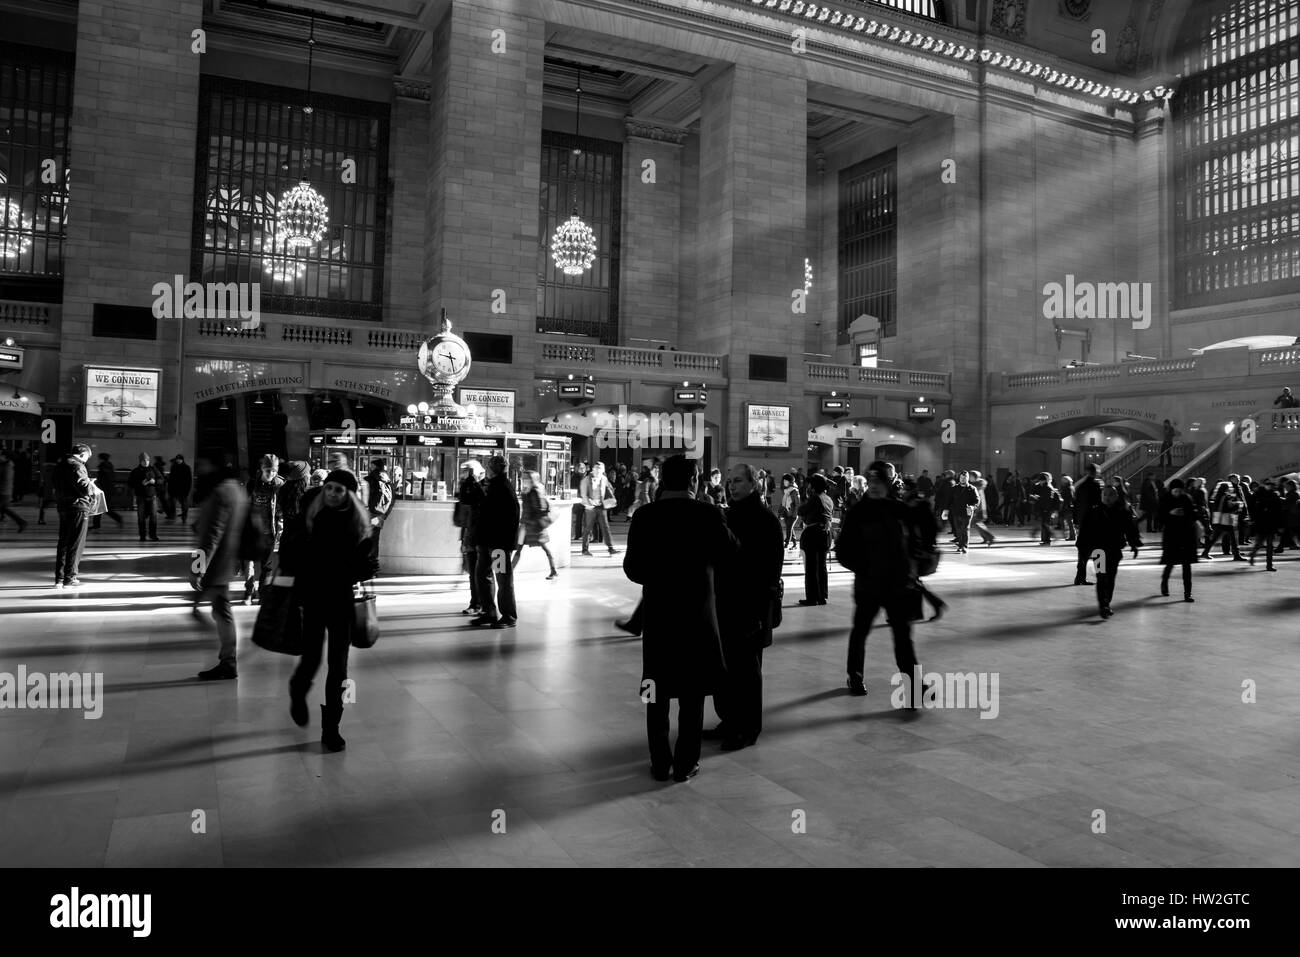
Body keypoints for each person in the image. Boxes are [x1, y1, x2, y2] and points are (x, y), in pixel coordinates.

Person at [624, 454, 739, 782]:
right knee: (693, 692)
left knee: (655, 691)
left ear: (663, 480)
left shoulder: (645, 515)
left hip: (660, 617)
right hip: (697, 617)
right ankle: (686, 764)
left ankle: (660, 762)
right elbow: (731, 554)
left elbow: (633, 569)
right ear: (694, 481)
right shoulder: (707, 513)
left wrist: (659, 575)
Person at [284, 468, 373, 752]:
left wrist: (363, 568)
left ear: (349, 494)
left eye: (340, 490)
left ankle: (331, 727)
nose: (333, 494)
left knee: (339, 667)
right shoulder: (309, 517)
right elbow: (290, 555)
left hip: (341, 601)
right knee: (311, 658)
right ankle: (298, 690)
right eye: (330, 488)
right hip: (313, 599)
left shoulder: (358, 523)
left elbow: (358, 565)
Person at [836, 461, 926, 703]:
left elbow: (915, 543)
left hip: (897, 586)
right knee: (861, 631)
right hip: (869, 585)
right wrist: (865, 567)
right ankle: (854, 676)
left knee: (903, 636)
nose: (874, 487)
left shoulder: (900, 510)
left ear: (888, 484)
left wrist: (911, 568)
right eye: (871, 482)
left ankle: (915, 688)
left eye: (879, 482)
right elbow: (843, 550)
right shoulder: (858, 512)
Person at [707, 463, 783, 752]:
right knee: (726, 667)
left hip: (749, 605)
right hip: (725, 601)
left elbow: (768, 570)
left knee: (747, 671)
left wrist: (758, 609)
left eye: (738, 481)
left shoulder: (765, 520)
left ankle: (748, 728)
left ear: (754, 483)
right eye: (729, 481)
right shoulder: (728, 515)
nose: (731, 486)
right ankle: (729, 720)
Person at [193, 448, 249, 680]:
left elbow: (211, 535)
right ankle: (229, 656)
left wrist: (197, 567)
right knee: (218, 610)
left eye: (202, 464)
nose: (199, 469)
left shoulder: (221, 492)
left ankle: (229, 657)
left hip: (217, 562)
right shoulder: (236, 489)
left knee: (205, 611)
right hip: (227, 559)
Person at [1080, 485, 1142, 618]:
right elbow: (1085, 530)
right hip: (1099, 550)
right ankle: (1104, 605)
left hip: (1114, 550)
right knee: (1102, 577)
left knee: (1111, 578)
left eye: (1110, 495)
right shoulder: (1094, 511)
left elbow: (1130, 529)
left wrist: (1134, 544)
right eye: (1105, 494)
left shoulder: (1122, 511)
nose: (1107, 497)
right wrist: (1082, 547)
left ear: (1116, 496)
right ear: (1101, 496)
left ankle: (1107, 601)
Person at [472, 455, 520, 628]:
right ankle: (489, 612)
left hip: (497, 545)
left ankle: (508, 615)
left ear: (493, 469)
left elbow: (511, 518)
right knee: (482, 575)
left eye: (488, 468)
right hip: (487, 542)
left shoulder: (503, 488)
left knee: (503, 580)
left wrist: (505, 543)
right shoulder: (493, 486)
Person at [51, 445, 95, 587]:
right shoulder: (77, 466)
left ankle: (59, 578)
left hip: (63, 506)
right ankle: (70, 578)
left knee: (63, 542)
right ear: (82, 455)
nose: (86, 460)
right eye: (87, 457)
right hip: (78, 507)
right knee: (76, 542)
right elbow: (84, 488)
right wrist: (90, 484)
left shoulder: (59, 466)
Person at [1158, 479, 1200, 602]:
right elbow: (1160, 517)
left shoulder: (1187, 498)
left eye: (1180, 491)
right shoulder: (1165, 499)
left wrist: (1185, 513)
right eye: (1175, 491)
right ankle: (1164, 583)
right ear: (1171, 490)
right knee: (1170, 563)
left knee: (1186, 565)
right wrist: (1171, 513)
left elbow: (1194, 515)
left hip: (1186, 536)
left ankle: (1188, 593)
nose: (1177, 493)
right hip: (1171, 536)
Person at [454, 460, 486, 615]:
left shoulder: (484, 487)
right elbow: (464, 507)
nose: (465, 474)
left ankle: (483, 605)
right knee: (473, 572)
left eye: (468, 471)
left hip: (482, 537)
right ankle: (476, 603)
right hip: (470, 535)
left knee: (483, 573)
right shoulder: (468, 487)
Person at [797, 473, 834, 605]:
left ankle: (812, 597)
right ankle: (822, 596)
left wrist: (806, 499)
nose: (809, 486)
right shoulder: (828, 499)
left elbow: (801, 511)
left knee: (811, 567)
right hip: (825, 534)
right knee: (821, 566)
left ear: (814, 486)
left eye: (810, 484)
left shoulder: (815, 498)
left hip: (813, 534)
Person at [514, 470, 558, 579]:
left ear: (532, 479)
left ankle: (554, 570)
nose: (523, 480)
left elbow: (540, 509)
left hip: (533, 526)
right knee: (519, 549)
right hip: (527, 525)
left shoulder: (534, 491)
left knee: (543, 547)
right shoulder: (527, 490)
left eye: (526, 478)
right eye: (523, 477)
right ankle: (509, 573)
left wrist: (530, 521)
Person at [362, 458, 396, 578]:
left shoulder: (368, 479)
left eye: (370, 466)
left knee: (364, 541)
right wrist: (384, 516)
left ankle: (365, 569)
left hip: (367, 515)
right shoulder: (388, 481)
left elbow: (363, 499)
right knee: (374, 541)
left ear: (374, 467)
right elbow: (392, 500)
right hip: (379, 516)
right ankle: (374, 570)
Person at [580, 461, 618, 557]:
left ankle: (611, 548)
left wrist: (611, 498)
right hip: (590, 507)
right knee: (588, 529)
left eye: (600, 468)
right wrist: (589, 502)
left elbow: (609, 488)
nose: (598, 470)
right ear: (593, 469)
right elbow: (583, 494)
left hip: (601, 506)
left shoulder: (604, 478)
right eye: (596, 468)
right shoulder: (586, 480)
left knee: (605, 527)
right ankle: (584, 549)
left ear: (603, 470)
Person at [1071, 464, 1102, 579]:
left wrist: (1076, 520)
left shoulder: (1081, 486)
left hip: (1083, 522)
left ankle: (1080, 577)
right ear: (1094, 472)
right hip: (1093, 522)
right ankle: (1101, 576)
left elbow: (1076, 504)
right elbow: (1098, 503)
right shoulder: (1095, 485)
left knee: (1083, 551)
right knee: (1099, 550)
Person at [1202, 480, 1244, 560]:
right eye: (1229, 487)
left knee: (1215, 537)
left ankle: (1205, 552)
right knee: (1234, 538)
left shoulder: (1217, 496)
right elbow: (1228, 507)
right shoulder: (1226, 496)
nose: (1230, 488)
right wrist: (1237, 504)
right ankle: (1237, 555)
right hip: (1227, 520)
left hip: (1219, 520)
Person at [127, 452, 163, 543]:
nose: (146, 462)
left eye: (147, 460)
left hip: (152, 496)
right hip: (141, 497)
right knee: (141, 517)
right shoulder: (135, 471)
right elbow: (130, 483)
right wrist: (140, 483)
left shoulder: (153, 469)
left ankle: (153, 535)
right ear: (140, 461)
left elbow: (161, 479)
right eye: (144, 460)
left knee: (153, 517)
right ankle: (142, 535)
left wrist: (154, 481)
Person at [1247, 479, 1283, 571]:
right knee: (1260, 543)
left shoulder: (1274, 495)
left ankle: (1269, 565)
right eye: (1269, 484)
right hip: (1261, 522)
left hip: (1270, 523)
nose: (1270, 486)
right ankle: (1253, 555)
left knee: (1269, 544)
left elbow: (1278, 511)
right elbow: (1251, 507)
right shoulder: (1258, 494)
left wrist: (1279, 524)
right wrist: (1253, 518)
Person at [946, 470, 979, 553]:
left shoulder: (972, 489)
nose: (963, 479)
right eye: (961, 477)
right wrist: (946, 509)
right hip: (956, 512)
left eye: (965, 478)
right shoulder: (954, 488)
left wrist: (972, 507)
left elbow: (977, 501)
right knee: (958, 530)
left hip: (967, 512)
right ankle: (960, 545)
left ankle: (964, 546)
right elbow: (949, 500)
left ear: (968, 478)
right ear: (959, 478)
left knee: (965, 529)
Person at [89, 452, 124, 530]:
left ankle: (118, 518)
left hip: (105, 490)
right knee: (99, 506)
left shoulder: (104, 466)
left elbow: (104, 479)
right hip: (107, 490)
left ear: (101, 458)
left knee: (104, 507)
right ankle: (96, 524)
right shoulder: (109, 465)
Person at [0, 450, 28, 532]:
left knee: (5, 509)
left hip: (3, 492)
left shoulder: (7, 466)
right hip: (5, 491)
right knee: (5, 509)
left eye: (2, 455)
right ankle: (21, 522)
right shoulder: (7, 465)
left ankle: (22, 522)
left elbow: (4, 479)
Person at [779, 472, 801, 549]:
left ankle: (786, 543)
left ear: (790, 482)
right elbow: (783, 502)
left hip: (792, 514)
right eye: (784, 481)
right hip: (786, 512)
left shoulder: (794, 491)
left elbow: (797, 504)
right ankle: (795, 544)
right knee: (790, 528)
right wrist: (781, 512)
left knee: (789, 528)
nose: (784, 482)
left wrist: (794, 514)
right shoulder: (786, 491)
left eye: (786, 481)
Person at [168, 454, 193, 523]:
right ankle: (173, 516)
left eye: (179, 459)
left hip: (183, 489)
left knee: (184, 505)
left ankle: (184, 517)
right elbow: (171, 479)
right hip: (174, 489)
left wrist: (187, 490)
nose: (178, 460)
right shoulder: (173, 467)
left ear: (182, 459)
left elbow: (189, 480)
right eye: (177, 459)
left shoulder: (187, 468)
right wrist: (169, 488)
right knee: (173, 503)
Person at [570, 462, 587, 541]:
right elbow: (573, 488)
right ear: (577, 469)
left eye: (583, 467)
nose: (582, 469)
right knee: (577, 519)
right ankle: (577, 534)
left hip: (586, 500)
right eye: (580, 467)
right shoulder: (574, 477)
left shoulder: (587, 477)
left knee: (587, 519)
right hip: (578, 500)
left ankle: (586, 535)